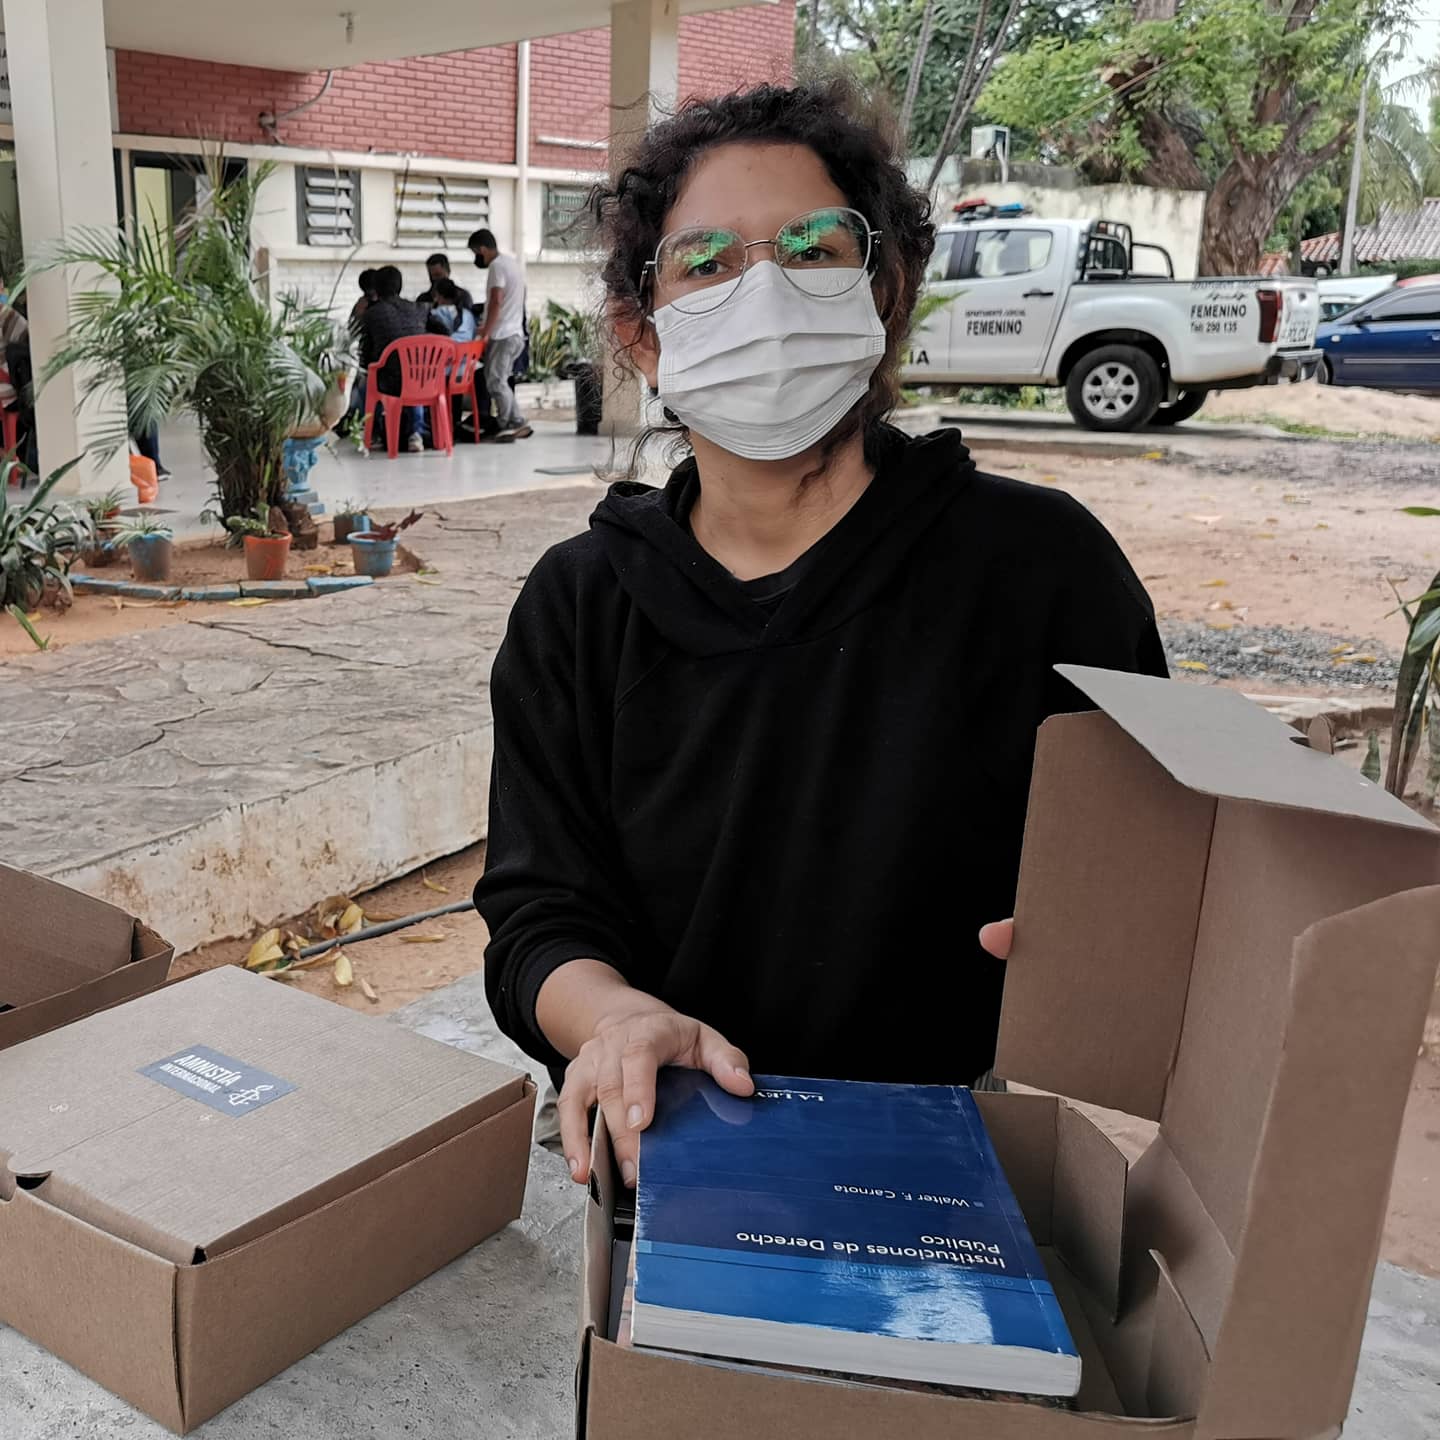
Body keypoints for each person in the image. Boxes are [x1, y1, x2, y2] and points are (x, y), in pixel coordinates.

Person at [474, 80, 1167, 1189]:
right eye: (707, 263)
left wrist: (1102, 947)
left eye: (813, 247)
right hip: (676, 1153)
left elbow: (1153, 868)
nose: (766, 292)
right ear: (639, 337)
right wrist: (615, 1020)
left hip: (958, 1162)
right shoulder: (580, 606)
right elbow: (538, 914)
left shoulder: (1045, 572)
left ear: (885, 287)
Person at [356, 265, 431, 453]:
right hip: (424, 379)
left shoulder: (372, 314)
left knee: (366, 384)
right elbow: (443, 332)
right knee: (413, 374)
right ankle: (416, 434)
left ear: (377, 288)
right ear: (399, 286)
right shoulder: (419, 308)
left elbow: (365, 353)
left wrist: (368, 367)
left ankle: (373, 434)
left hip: (389, 382)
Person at [467, 228, 532, 442]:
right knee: (498, 379)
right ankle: (516, 420)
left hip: (503, 335)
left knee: (495, 380)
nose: (477, 257)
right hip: (514, 332)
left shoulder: (496, 266)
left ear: (483, 249)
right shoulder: (512, 264)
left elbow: (496, 300)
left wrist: (486, 332)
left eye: (476, 252)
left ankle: (511, 422)